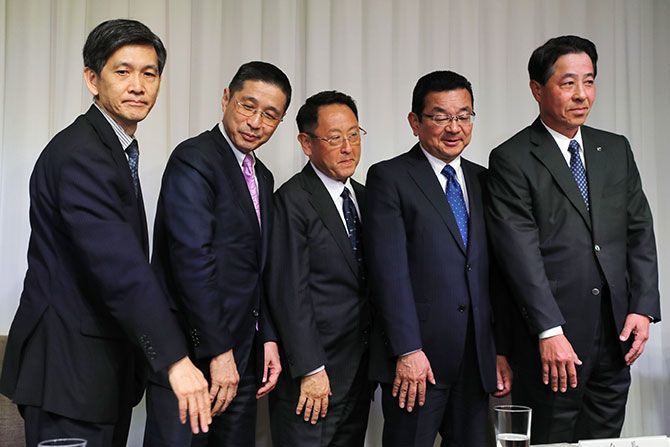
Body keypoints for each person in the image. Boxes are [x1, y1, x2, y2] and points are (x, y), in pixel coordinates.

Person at [0, 19, 211, 447]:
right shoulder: (81, 155)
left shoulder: (112, 148)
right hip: (67, 375)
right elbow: (120, 269)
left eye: (149, 73)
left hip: (96, 375)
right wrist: (175, 360)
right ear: (92, 79)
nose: (138, 86)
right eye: (123, 71)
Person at [486, 35, 661, 443]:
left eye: (589, 81)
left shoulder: (615, 149)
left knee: (605, 440)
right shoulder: (512, 158)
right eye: (568, 83)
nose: (582, 94)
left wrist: (642, 307)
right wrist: (549, 331)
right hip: (552, 344)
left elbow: (639, 230)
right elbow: (519, 254)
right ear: (537, 89)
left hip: (615, 337)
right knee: (553, 440)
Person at [143, 61, 290, 446]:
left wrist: (268, 338)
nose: (255, 122)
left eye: (270, 115)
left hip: (242, 357)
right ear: (226, 99)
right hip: (191, 355)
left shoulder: (263, 176)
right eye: (247, 106)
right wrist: (218, 351)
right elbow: (192, 260)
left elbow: (258, 269)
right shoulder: (194, 158)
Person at [364, 70, 512, 447]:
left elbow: (495, 274)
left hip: (475, 361)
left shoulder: (484, 180)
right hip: (418, 363)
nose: (454, 127)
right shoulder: (389, 178)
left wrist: (498, 349)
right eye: (441, 116)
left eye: (464, 116)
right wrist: (408, 350)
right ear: (415, 122)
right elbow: (388, 275)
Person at [266, 91, 374, 447]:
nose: (348, 148)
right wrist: (311, 369)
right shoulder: (292, 200)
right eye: (334, 138)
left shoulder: (367, 197)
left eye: (354, 135)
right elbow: (289, 293)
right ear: (306, 143)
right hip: (314, 373)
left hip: (360, 369)